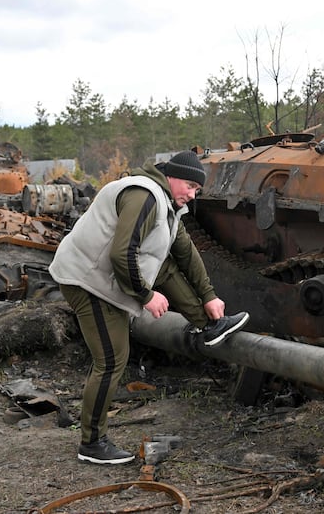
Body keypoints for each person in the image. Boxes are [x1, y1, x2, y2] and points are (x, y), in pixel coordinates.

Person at [49, 150, 250, 465]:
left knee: (167, 266)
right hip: (85, 279)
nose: (192, 195)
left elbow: (185, 252)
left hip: (107, 277)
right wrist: (145, 295)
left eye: (197, 190)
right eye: (190, 186)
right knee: (112, 358)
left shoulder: (169, 204)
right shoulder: (145, 196)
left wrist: (209, 297)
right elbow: (122, 253)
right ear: (171, 177)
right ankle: (92, 443)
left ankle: (208, 325)